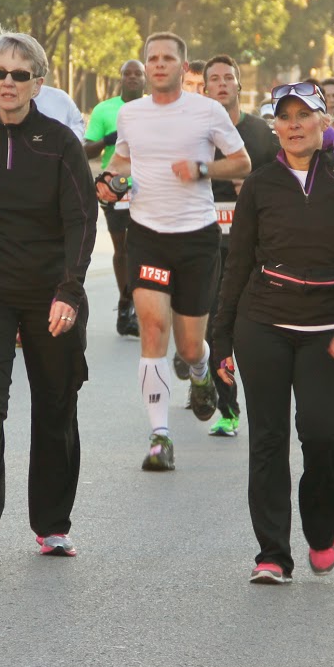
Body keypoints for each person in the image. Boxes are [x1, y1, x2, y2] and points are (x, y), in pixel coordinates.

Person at [213, 81, 334, 584]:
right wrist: (220, 342)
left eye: (303, 115)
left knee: (323, 433)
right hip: (261, 322)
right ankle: (272, 554)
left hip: (327, 328)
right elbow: (236, 264)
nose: (293, 125)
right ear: (276, 126)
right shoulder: (261, 185)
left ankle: (323, 530)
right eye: (283, 117)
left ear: (323, 121)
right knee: (267, 438)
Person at [0, 32, 96, 563]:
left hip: (52, 294)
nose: (8, 83)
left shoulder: (59, 144)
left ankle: (52, 522)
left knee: (55, 406)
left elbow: (81, 220)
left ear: (39, 82)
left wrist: (69, 291)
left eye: (20, 74)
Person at [95, 32, 250, 472]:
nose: (158, 65)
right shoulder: (131, 115)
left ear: (183, 68)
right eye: (152, 59)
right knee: (152, 327)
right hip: (147, 236)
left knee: (188, 345)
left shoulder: (207, 111)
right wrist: (108, 180)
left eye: (167, 59)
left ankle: (200, 374)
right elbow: (121, 161)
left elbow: (242, 163)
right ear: (146, 68)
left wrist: (203, 169)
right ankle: (160, 436)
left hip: (197, 239)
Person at [202, 53, 280, 436]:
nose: (221, 84)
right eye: (213, 78)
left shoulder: (261, 134)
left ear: (238, 86)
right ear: (204, 88)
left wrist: (251, 187)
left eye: (227, 78)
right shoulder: (194, 131)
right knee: (215, 327)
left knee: (252, 331)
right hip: (205, 242)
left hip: (253, 246)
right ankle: (228, 410)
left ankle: (263, 404)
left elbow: (283, 182)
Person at [84, 60, 147, 336]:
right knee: (123, 250)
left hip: (151, 188)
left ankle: (141, 305)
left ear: (145, 79)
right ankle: (125, 306)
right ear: (121, 78)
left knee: (145, 250)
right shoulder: (105, 110)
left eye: (138, 74)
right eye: (128, 74)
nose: (133, 78)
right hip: (116, 189)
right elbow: (86, 152)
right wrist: (109, 140)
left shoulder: (155, 108)